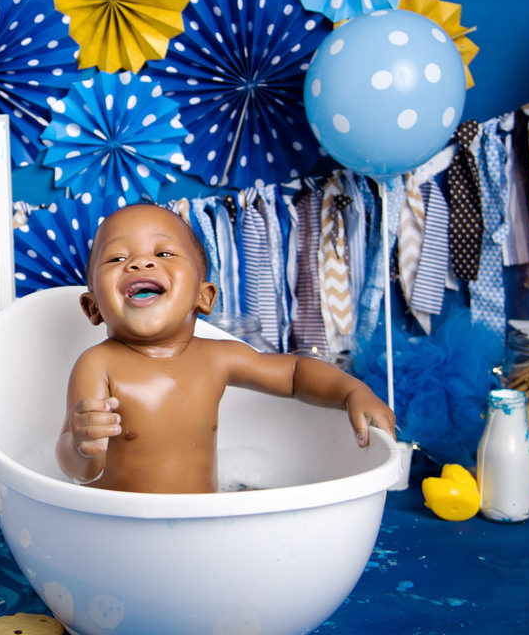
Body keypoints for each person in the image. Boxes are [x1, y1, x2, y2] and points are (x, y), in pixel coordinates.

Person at [56, 203, 395, 493]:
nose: (140, 263)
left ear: (203, 297)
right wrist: (83, 447)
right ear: (93, 307)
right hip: (124, 526)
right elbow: (78, 471)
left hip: (207, 523)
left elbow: (294, 374)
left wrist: (352, 391)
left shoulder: (216, 357)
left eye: (163, 253)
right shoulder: (98, 365)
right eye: (117, 258)